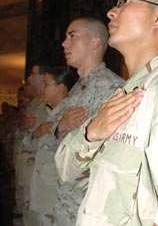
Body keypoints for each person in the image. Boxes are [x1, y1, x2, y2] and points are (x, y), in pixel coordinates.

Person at [55, 0, 158, 226]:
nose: (112, 12)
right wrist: (91, 133)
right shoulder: (123, 95)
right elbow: (67, 172)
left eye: (125, 1)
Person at [52, 16, 144, 226]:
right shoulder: (78, 86)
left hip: (86, 208)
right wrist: (59, 129)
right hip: (63, 200)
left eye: (72, 36)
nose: (64, 43)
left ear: (95, 42)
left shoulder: (113, 88)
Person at [23, 66, 78, 226]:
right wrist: (35, 133)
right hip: (43, 191)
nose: (42, 88)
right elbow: (30, 144)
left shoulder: (69, 114)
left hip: (56, 195)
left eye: (46, 84)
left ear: (61, 87)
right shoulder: (50, 112)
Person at [14, 64, 49, 226]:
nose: (28, 79)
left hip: (37, 173)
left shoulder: (47, 105)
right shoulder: (36, 104)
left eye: (32, 75)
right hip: (28, 169)